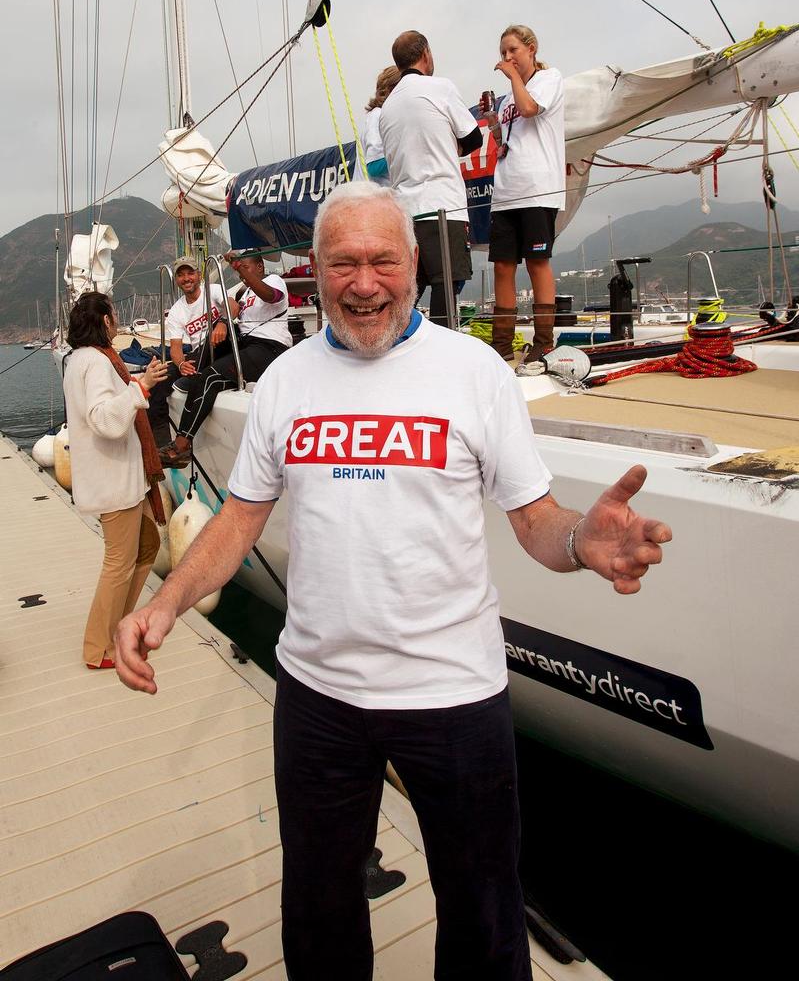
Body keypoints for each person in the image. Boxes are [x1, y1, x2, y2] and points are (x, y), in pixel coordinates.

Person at [114, 182, 671, 981]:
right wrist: (166, 601)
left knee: (482, 909)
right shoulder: (285, 383)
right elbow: (238, 520)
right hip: (318, 695)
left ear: (415, 265)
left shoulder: (473, 372)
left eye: (382, 261)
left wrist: (584, 540)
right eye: (343, 262)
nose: (364, 282)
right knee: (318, 905)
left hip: (453, 694)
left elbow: (535, 520)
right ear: (313, 270)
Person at [62, 290, 168, 669]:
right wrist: (142, 387)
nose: (118, 320)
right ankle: (99, 648)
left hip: (123, 481)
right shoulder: (94, 363)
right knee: (118, 563)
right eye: (114, 314)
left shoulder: (82, 360)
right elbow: (105, 419)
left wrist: (139, 381)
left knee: (147, 547)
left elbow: (107, 403)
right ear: (105, 321)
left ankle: (120, 627)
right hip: (114, 483)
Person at [379, 30, 483, 325]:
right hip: (442, 204)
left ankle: (398, 345)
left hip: (406, 212)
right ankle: (443, 354)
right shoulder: (440, 88)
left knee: (410, 290)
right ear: (426, 53)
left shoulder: (387, 109)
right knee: (446, 284)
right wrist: (451, 143)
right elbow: (474, 138)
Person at [159, 251, 292, 468]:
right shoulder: (246, 291)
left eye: (246, 267)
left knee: (209, 377)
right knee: (204, 379)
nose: (242, 273)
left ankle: (181, 446)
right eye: (240, 269)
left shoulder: (272, 281)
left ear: (259, 266)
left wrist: (238, 268)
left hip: (269, 347)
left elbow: (271, 296)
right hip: (246, 347)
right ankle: (180, 441)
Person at [484, 24, 565, 362]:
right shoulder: (506, 100)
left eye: (513, 50)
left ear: (531, 48)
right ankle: (502, 344)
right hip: (506, 191)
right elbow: (511, 138)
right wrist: (495, 128)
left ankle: (544, 341)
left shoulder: (550, 79)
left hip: (537, 189)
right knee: (503, 266)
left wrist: (514, 77)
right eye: (503, 52)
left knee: (536, 262)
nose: (507, 58)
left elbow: (531, 108)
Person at [146, 255, 229, 448]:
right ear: (176, 280)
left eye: (190, 273)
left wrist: (223, 323)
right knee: (158, 382)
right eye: (181, 275)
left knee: (212, 333)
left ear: (199, 275)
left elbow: (233, 306)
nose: (186, 278)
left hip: (223, 346)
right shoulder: (177, 311)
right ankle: (162, 445)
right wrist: (181, 364)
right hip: (198, 355)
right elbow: (175, 347)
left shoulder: (213, 290)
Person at [352, 65, 401, 186]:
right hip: (371, 199)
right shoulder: (377, 117)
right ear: (391, 90)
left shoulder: (381, 116)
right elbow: (374, 167)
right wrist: (406, 150)